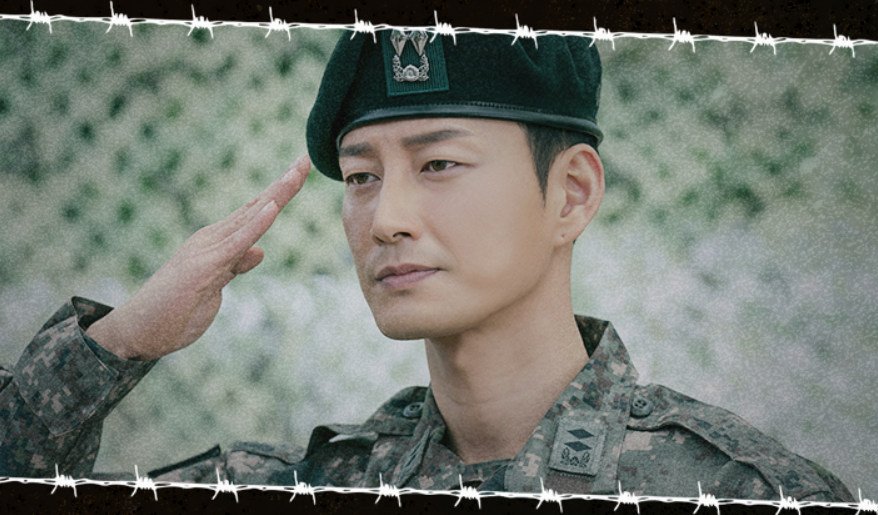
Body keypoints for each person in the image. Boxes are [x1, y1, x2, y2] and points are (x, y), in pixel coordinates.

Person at [0, 30, 854, 501]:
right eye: (361, 177)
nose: (386, 219)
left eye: (439, 163)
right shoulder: (316, 484)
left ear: (571, 194)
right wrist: (118, 341)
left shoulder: (738, 491)